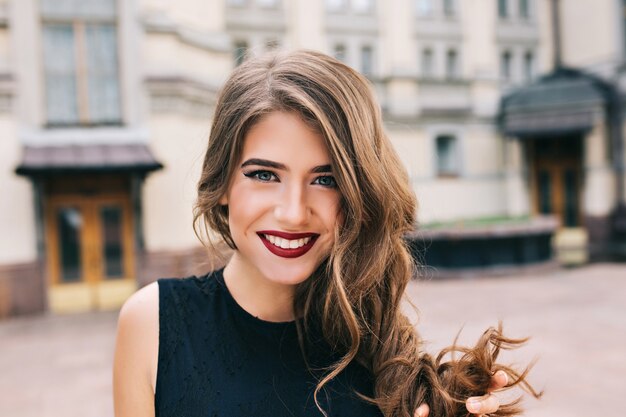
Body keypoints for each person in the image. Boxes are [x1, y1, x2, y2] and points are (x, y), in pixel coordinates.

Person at [113, 50, 539, 417]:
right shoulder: (152, 324)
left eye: (326, 179)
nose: (294, 213)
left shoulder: (387, 362)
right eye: (264, 174)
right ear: (222, 183)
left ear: (358, 195)